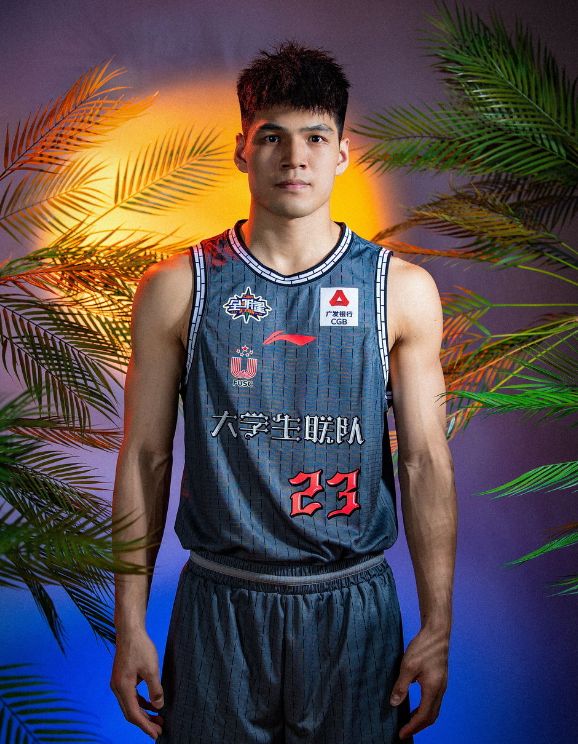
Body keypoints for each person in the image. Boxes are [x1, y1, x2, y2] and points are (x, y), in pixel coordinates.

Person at [110, 39, 457, 744]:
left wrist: (438, 625)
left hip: (352, 606)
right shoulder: (178, 287)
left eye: (315, 137)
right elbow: (145, 457)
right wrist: (129, 624)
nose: (294, 157)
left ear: (343, 152)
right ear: (242, 150)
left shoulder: (399, 291)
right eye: (272, 136)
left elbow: (424, 462)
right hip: (218, 603)